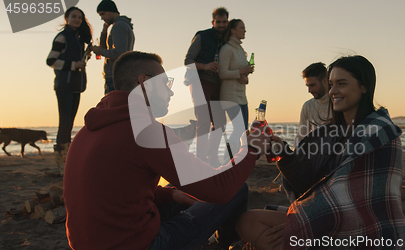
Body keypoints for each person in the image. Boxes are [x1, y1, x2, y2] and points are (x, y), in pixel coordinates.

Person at [63, 51, 272, 250]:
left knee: (175, 189)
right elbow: (220, 190)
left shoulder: (89, 130)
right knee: (237, 189)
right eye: (166, 83)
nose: (171, 91)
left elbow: (115, 188)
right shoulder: (144, 131)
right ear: (144, 82)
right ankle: (226, 243)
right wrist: (251, 148)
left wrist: (169, 195)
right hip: (140, 245)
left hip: (89, 243)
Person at [235, 55, 405, 250]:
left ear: (364, 86)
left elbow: (358, 199)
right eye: (332, 84)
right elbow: (309, 186)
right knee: (246, 221)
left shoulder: (380, 133)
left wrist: (306, 220)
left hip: (364, 228)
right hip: (323, 217)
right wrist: (282, 152)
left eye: (341, 84)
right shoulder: (328, 133)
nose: (333, 91)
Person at [46, 6, 92, 175]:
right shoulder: (62, 37)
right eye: (74, 16)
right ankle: (61, 163)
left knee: (70, 123)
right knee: (64, 124)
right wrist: (74, 65)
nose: (77, 20)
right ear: (67, 18)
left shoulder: (79, 39)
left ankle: (67, 160)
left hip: (76, 86)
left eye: (80, 17)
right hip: (64, 86)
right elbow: (50, 60)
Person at [184, 7, 229, 167]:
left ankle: (212, 157)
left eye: (224, 22)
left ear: (227, 22)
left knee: (220, 122)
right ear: (213, 22)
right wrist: (205, 66)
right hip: (199, 80)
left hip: (218, 84)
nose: (221, 25)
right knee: (203, 121)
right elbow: (187, 61)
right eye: (218, 22)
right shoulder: (202, 36)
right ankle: (200, 159)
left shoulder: (227, 40)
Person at [218, 19, 254, 158]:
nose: (244, 30)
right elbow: (222, 73)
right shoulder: (226, 49)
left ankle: (235, 160)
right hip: (229, 96)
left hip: (242, 96)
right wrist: (240, 72)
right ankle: (228, 159)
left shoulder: (241, 50)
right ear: (233, 30)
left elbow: (244, 74)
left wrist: (245, 77)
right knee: (239, 129)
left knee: (244, 130)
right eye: (242, 28)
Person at [91, 0, 135, 94]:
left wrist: (100, 51)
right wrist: (104, 31)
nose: (102, 18)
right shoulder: (122, 25)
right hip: (117, 75)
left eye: (103, 14)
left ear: (111, 11)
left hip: (116, 76)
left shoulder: (119, 26)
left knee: (112, 106)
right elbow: (105, 47)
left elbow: (118, 53)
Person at [294, 62, 332, 147]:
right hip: (316, 155)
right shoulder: (308, 106)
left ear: (325, 81)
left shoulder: (339, 103)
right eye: (308, 86)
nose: (309, 90)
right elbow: (300, 136)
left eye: (312, 85)